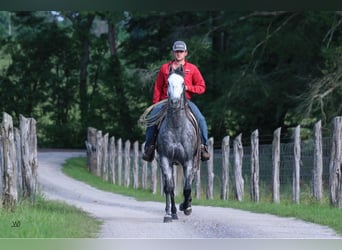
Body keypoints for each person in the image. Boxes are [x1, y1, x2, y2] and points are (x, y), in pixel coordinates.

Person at [142, 40, 210, 162]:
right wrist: (155, 103)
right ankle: (149, 147)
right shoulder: (164, 68)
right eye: (176, 51)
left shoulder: (192, 69)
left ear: (186, 53)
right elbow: (158, 86)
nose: (178, 54)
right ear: (173, 53)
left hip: (185, 101)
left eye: (181, 51)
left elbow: (202, 87)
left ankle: (203, 146)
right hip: (165, 101)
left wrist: (189, 88)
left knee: (200, 119)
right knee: (152, 120)